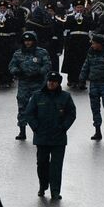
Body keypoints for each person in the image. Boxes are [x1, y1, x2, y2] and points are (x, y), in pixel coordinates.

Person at [24, 71, 76, 200]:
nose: (51, 83)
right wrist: (35, 127)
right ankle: (43, 186)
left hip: (58, 138)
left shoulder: (65, 97)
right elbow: (29, 113)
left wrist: (64, 127)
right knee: (42, 164)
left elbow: (71, 114)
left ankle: (55, 191)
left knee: (56, 166)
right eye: (49, 81)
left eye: (53, 82)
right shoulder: (37, 96)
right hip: (42, 137)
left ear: (58, 83)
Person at [9, 31, 51, 141]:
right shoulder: (18, 53)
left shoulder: (42, 53)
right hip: (24, 84)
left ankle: (39, 130)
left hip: (38, 83)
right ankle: (22, 130)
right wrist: (17, 72)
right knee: (22, 107)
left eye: (30, 41)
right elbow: (11, 66)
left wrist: (40, 73)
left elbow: (48, 65)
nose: (27, 43)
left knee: (40, 107)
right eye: (25, 41)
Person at [61, 0, 94, 88]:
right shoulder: (70, 17)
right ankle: (71, 79)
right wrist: (73, 19)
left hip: (83, 42)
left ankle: (82, 81)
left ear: (83, 8)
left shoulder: (88, 17)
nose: (79, 9)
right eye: (77, 7)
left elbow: (91, 27)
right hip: (73, 41)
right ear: (74, 8)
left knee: (82, 62)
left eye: (81, 7)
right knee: (72, 61)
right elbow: (65, 27)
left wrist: (83, 18)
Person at [0, 0, 23, 89]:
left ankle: (8, 79)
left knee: (7, 61)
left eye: (4, 8)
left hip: (7, 42)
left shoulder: (10, 18)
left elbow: (15, 30)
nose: (2, 10)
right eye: (1, 8)